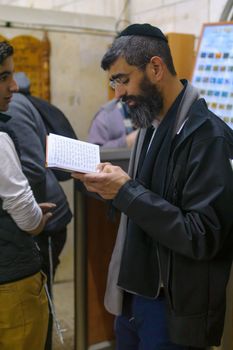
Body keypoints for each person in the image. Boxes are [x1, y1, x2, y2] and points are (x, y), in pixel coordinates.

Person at [72, 23, 233, 350]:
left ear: (156, 67)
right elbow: (150, 202)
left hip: (169, 308)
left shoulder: (208, 138)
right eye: (113, 81)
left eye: (123, 79)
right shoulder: (151, 123)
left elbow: (201, 235)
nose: (117, 94)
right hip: (134, 295)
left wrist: (125, 192)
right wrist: (111, 188)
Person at [4, 71, 74, 350]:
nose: (10, 86)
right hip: (25, 220)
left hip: (44, 220)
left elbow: (32, 168)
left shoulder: (14, 107)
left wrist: (30, 216)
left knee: (37, 308)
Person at [0, 41, 55, 350]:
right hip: (10, 283)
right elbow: (25, 214)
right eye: (3, 77)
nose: (14, 86)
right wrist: (37, 217)